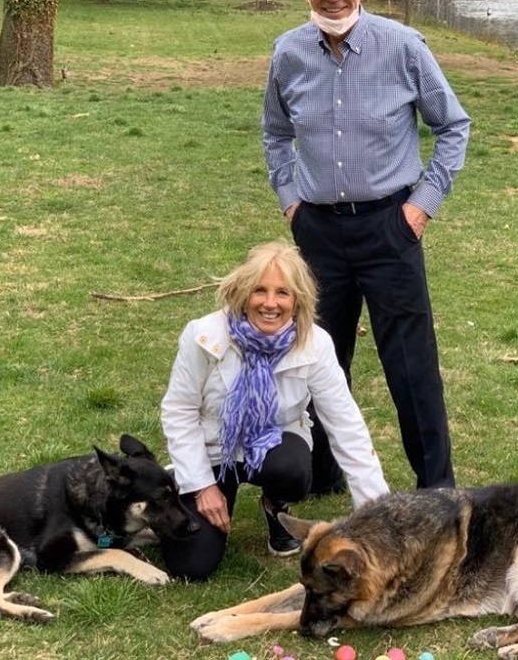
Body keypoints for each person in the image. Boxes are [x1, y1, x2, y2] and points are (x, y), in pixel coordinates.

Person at [262, 0, 471, 491]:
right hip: (319, 233)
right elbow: (275, 134)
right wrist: (291, 203)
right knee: (320, 360)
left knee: (411, 366)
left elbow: (453, 126)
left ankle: (436, 489)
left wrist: (421, 208)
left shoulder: (404, 47)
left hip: (390, 226)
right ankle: (326, 475)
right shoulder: (288, 54)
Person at [158, 241, 389, 582]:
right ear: (241, 293)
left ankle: (275, 507)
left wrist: (379, 522)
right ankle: (184, 482)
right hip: (213, 448)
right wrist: (202, 485)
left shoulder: (316, 343)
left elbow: (346, 427)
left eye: (283, 293)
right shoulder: (203, 335)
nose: (270, 303)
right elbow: (179, 410)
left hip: (275, 444)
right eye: (259, 291)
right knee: (191, 567)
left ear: (298, 300)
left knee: (292, 471)